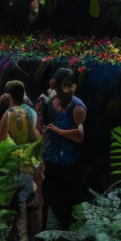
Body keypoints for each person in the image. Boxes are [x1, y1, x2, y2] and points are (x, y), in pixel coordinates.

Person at [0, 80, 41, 241]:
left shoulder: (9, 114)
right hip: (33, 164)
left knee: (18, 209)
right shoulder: (33, 112)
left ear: (9, 95)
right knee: (32, 206)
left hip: (16, 165)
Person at [41, 68, 86, 229]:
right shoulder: (52, 101)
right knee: (47, 197)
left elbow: (80, 136)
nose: (68, 90)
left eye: (71, 85)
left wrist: (58, 131)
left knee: (67, 200)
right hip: (50, 157)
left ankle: (67, 235)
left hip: (68, 162)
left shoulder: (77, 108)